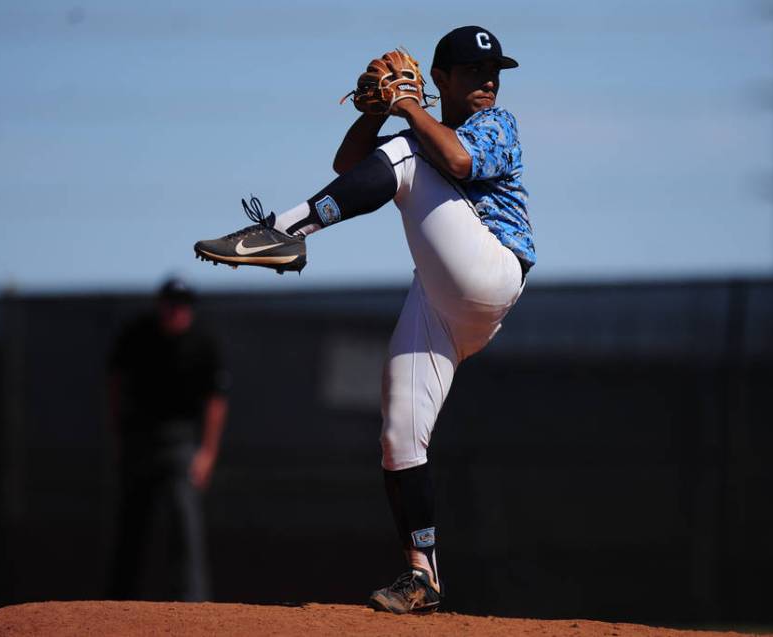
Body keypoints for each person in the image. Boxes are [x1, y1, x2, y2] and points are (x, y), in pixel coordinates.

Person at [194, 26, 533, 614]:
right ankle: (422, 573)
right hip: (442, 301)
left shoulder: (496, 125)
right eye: (476, 73)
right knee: (398, 437)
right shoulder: (419, 130)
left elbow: (454, 156)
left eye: (494, 72)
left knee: (406, 155)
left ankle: (283, 231)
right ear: (443, 80)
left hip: (492, 270)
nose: (488, 82)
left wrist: (403, 107)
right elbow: (351, 166)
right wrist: (378, 112)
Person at [107, 277, 229, 602]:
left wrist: (207, 452)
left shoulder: (202, 343)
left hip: (182, 443)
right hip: (140, 438)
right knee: (132, 523)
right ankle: (117, 602)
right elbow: (116, 385)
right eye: (171, 304)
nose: (176, 311)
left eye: (183, 305)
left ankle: (192, 603)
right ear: (160, 305)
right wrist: (119, 435)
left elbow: (216, 401)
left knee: (184, 523)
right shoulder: (137, 336)